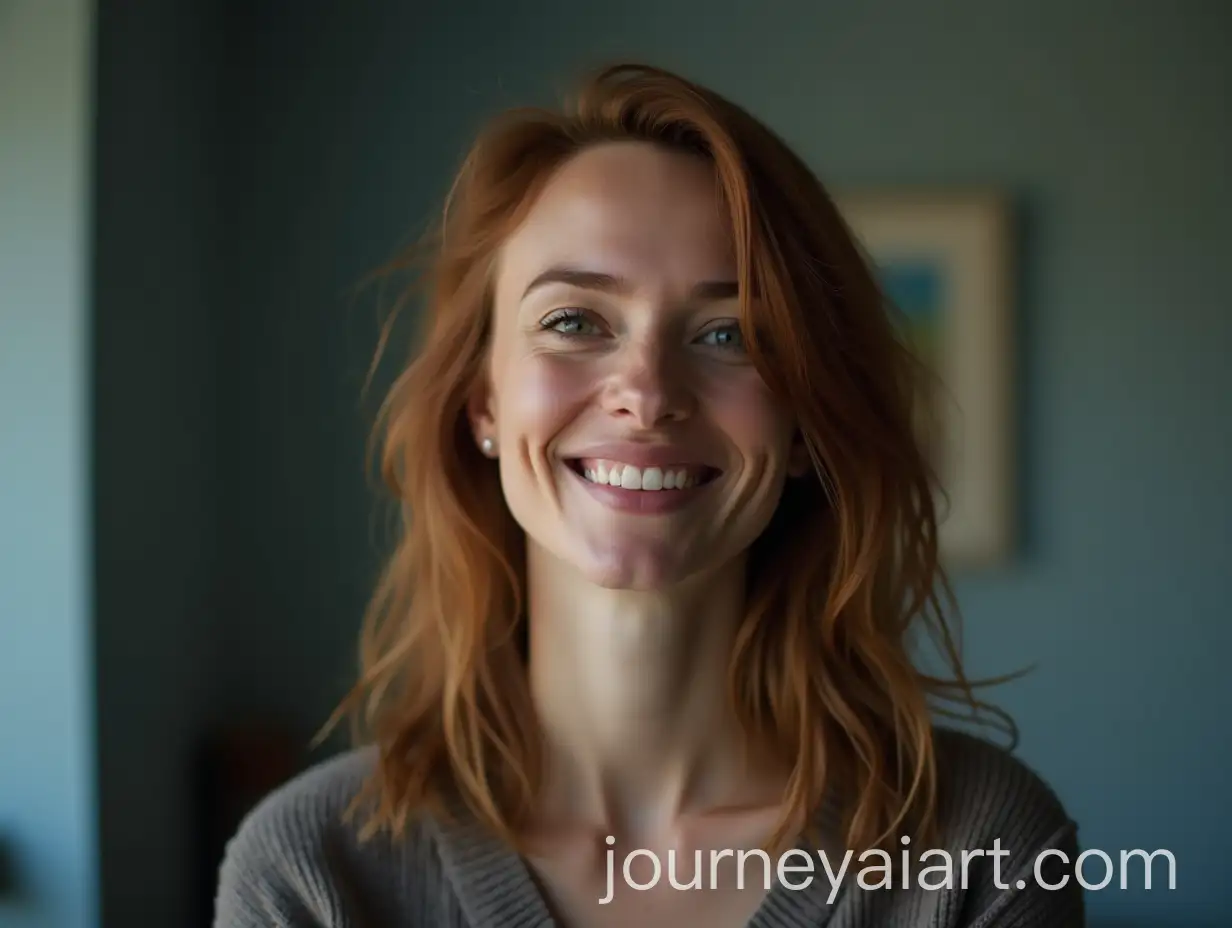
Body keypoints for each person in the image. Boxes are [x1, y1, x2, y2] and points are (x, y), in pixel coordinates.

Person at [213, 63, 1082, 927]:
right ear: (482, 400)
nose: (648, 389)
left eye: (729, 333)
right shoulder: (310, 870)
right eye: (574, 321)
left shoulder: (983, 854)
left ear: (803, 432)